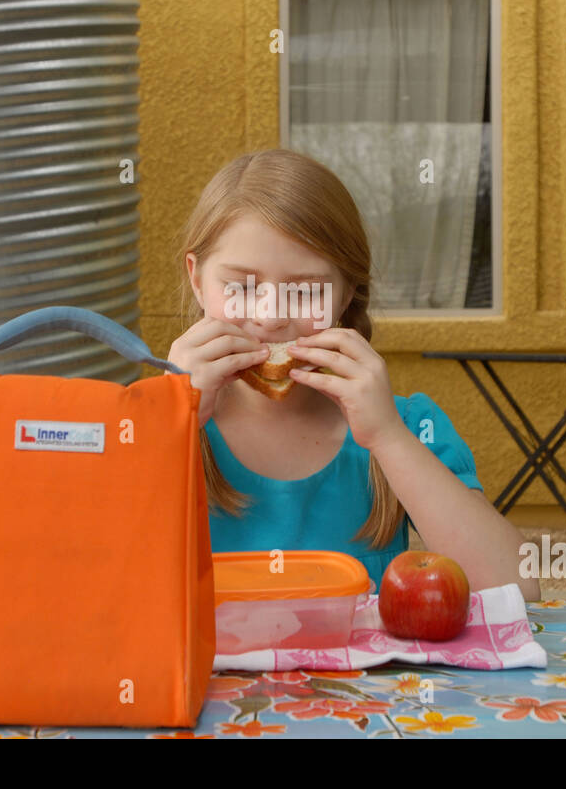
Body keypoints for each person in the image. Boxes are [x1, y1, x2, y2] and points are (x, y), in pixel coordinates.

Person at [167, 148, 539, 602]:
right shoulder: (143, 423)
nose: (270, 317)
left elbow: (515, 588)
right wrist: (170, 429)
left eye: (305, 291)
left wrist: (388, 438)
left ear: (347, 295)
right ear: (197, 280)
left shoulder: (405, 426)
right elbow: (88, 582)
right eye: (242, 287)